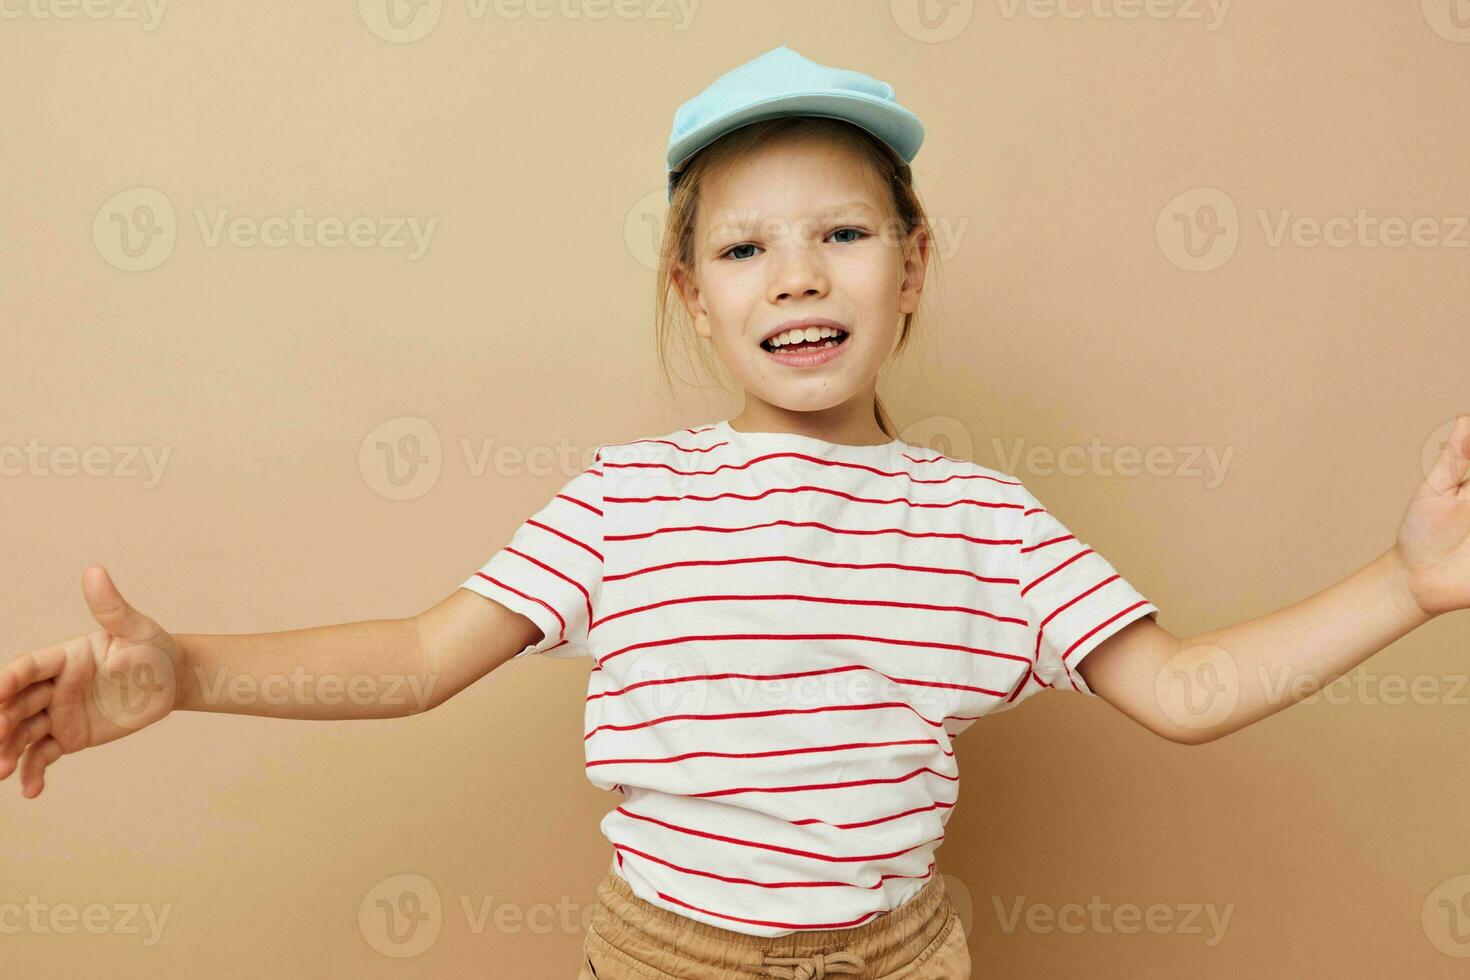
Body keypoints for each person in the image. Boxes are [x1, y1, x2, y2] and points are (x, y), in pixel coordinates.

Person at [2, 45, 1467, 980]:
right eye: (745, 247)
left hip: (897, 958)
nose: (797, 275)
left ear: (909, 265)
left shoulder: (987, 524)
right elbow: (416, 657)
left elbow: (1188, 689)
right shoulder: (628, 502)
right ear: (692, 298)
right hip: (665, 960)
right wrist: (188, 674)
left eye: (841, 234)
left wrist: (1403, 584)